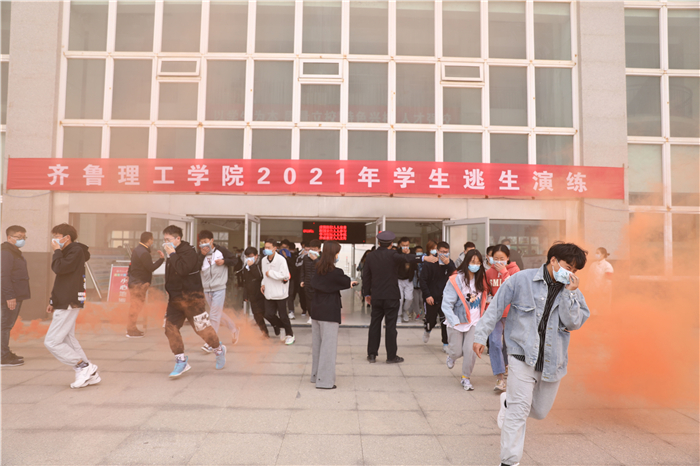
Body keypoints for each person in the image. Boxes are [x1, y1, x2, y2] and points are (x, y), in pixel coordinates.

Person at [474, 242, 589, 466]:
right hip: (521, 355)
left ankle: (506, 403)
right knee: (519, 411)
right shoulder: (521, 279)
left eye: (575, 271)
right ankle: (510, 461)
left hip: (552, 360)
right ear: (553, 260)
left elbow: (574, 322)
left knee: (539, 411)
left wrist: (569, 294)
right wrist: (480, 335)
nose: (571, 273)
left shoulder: (572, 291)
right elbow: (496, 306)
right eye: (568, 267)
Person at [363, 231, 438, 364]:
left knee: (374, 325)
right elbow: (408, 258)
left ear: (379, 243)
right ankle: (391, 356)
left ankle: (372, 355)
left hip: (377, 296)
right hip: (391, 296)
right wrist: (424, 258)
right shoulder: (393, 255)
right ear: (392, 244)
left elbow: (366, 276)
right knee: (391, 327)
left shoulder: (371, 256)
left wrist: (367, 294)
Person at [161, 225, 226, 378]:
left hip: (192, 300)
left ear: (178, 238)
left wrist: (172, 254)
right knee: (170, 329)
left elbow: (182, 270)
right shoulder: (172, 253)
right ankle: (181, 360)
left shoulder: (188, 252)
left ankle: (218, 349)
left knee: (202, 330)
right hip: (175, 300)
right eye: (164, 240)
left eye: (168, 239)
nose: (165, 243)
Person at [44, 223, 100, 388]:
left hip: (68, 301)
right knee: (68, 339)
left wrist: (56, 251)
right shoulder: (72, 251)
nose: (54, 240)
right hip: (66, 300)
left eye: (56, 236)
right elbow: (62, 279)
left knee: (52, 342)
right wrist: (53, 301)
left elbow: (59, 268)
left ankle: (83, 366)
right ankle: (90, 373)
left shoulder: (74, 251)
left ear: (66, 237)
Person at [309, 241, 357, 389]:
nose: (338, 255)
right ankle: (324, 381)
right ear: (333, 254)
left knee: (318, 346)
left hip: (316, 311)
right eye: (337, 253)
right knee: (328, 348)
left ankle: (316, 375)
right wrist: (351, 283)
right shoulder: (336, 272)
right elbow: (345, 282)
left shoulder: (317, 268)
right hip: (329, 312)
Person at [442, 249, 490, 391]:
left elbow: (486, 297)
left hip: (474, 322)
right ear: (466, 262)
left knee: (470, 351)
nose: (475, 265)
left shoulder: (482, 279)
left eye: (478, 262)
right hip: (457, 321)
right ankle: (452, 356)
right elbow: (446, 303)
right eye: (472, 262)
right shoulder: (456, 279)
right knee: (457, 351)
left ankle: (465, 377)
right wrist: (453, 320)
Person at [485, 244, 520, 392]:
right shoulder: (488, 272)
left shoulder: (515, 270)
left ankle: (506, 366)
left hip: (511, 313)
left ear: (508, 258)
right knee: (494, 342)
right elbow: (486, 290)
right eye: (495, 258)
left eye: (502, 258)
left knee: (508, 344)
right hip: (495, 313)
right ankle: (500, 378)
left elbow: (516, 288)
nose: (498, 261)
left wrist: (504, 272)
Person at [198, 230, 240, 352]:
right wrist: (201, 255)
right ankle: (234, 329)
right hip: (207, 288)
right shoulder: (200, 254)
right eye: (201, 242)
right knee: (217, 313)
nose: (203, 244)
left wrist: (224, 261)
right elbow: (195, 267)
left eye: (205, 241)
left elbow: (235, 260)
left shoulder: (221, 251)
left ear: (212, 240)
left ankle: (211, 342)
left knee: (214, 315)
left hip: (219, 288)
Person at [126, 232, 164, 338]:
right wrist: (161, 259)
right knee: (136, 306)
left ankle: (132, 328)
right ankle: (130, 330)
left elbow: (131, 265)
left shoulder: (137, 250)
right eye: (152, 239)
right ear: (149, 240)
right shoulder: (144, 252)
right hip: (138, 284)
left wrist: (129, 275)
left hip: (134, 282)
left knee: (135, 306)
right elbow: (150, 267)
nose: (153, 241)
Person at [1, 225, 30, 366]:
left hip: (16, 295)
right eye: (18, 237)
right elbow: (4, 275)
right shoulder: (6, 252)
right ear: (9, 237)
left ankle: (5, 352)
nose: (21, 240)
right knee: (4, 325)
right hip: (10, 296)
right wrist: (9, 296)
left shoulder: (14, 251)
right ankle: (3, 356)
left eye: (23, 237)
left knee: (7, 325)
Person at [420, 241, 455, 353]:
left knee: (445, 322)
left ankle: (445, 343)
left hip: (445, 298)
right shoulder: (429, 263)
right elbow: (423, 281)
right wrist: (427, 295)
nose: (444, 254)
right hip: (432, 297)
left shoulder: (450, 263)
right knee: (431, 320)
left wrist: (448, 264)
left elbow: (455, 275)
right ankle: (427, 329)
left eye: (446, 252)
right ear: (437, 251)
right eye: (442, 252)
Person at [261, 239, 295, 345]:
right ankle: (281, 327)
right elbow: (264, 275)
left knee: (283, 315)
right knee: (268, 314)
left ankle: (290, 334)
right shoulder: (263, 260)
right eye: (265, 247)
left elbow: (285, 276)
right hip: (269, 291)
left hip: (280, 292)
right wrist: (262, 284)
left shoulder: (281, 260)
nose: (266, 249)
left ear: (275, 248)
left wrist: (271, 273)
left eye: (269, 247)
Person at [241, 247, 269, 338]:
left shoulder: (261, 264)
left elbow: (259, 276)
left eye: (251, 256)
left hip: (262, 293)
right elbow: (245, 281)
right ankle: (264, 332)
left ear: (256, 256)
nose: (249, 258)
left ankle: (277, 326)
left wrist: (252, 266)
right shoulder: (246, 267)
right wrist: (245, 295)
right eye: (247, 256)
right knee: (257, 315)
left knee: (267, 314)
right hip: (252, 294)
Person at [300, 239, 322, 325]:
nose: (312, 251)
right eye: (311, 249)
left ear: (319, 249)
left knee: (318, 301)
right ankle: (311, 316)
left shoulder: (323, 258)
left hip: (319, 284)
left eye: (315, 249)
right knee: (309, 302)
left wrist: (316, 259)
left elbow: (323, 269)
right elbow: (303, 270)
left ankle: (318, 316)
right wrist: (302, 280)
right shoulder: (306, 258)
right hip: (308, 282)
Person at [396, 237, 416, 323]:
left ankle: (405, 311)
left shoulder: (412, 252)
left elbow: (415, 265)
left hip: (409, 279)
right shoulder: (397, 253)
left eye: (407, 245)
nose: (405, 247)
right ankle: (399, 315)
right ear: (400, 245)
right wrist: (404, 255)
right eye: (403, 245)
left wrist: (409, 255)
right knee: (399, 299)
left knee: (409, 298)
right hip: (398, 279)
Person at [588, 247, 614, 311]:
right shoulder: (593, 265)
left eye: (597, 253)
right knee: (594, 308)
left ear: (603, 255)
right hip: (594, 290)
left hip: (604, 291)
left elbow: (609, 280)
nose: (596, 254)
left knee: (603, 308)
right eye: (596, 253)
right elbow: (589, 278)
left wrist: (605, 290)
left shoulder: (608, 266)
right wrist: (588, 288)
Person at [278, 239, 297, 321]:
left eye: (285, 248)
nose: (284, 249)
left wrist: (286, 257)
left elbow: (294, 266)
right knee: (279, 295)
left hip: (290, 278)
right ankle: (281, 312)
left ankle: (291, 311)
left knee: (290, 295)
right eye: (282, 247)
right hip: (279, 278)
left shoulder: (292, 256)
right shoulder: (276, 256)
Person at [295, 242, 309, 318]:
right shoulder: (300, 257)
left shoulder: (315, 257)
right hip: (301, 279)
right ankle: (304, 309)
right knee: (302, 295)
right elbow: (297, 265)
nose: (307, 251)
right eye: (306, 249)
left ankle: (311, 310)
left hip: (310, 279)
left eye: (308, 250)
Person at [411, 245, 425, 320]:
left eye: (421, 252)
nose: (419, 253)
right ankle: (417, 314)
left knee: (421, 300)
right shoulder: (412, 262)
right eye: (418, 252)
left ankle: (422, 313)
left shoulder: (424, 262)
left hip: (422, 285)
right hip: (414, 285)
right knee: (415, 300)